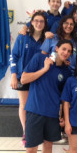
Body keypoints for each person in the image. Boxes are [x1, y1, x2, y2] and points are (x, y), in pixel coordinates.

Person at [20, 39, 72, 153]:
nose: (66, 53)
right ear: (56, 48)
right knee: (31, 149)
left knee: (48, 146)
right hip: (34, 111)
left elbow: (63, 97)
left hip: (52, 114)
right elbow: (23, 79)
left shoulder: (66, 72)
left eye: (69, 51)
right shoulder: (39, 59)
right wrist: (44, 69)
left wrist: (62, 115)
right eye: (63, 49)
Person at [10, 11, 47, 144]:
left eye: (41, 21)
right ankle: (27, 132)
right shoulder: (23, 37)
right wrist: (14, 75)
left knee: (38, 105)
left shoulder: (46, 40)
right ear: (31, 22)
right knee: (24, 105)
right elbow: (14, 56)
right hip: (23, 77)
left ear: (45, 24)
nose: (38, 23)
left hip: (40, 78)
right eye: (36, 21)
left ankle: (38, 131)